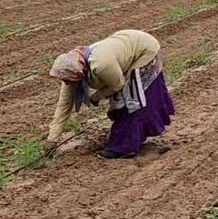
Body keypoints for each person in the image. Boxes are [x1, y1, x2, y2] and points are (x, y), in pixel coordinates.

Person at [47, 29, 174, 159]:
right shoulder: (70, 72)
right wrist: (52, 139)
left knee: (132, 102)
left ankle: (124, 147)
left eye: (67, 80)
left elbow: (118, 85)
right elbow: (64, 105)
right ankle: (132, 138)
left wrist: (96, 97)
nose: (66, 82)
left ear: (78, 73)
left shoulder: (101, 64)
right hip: (123, 48)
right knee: (121, 102)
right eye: (63, 79)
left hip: (143, 51)